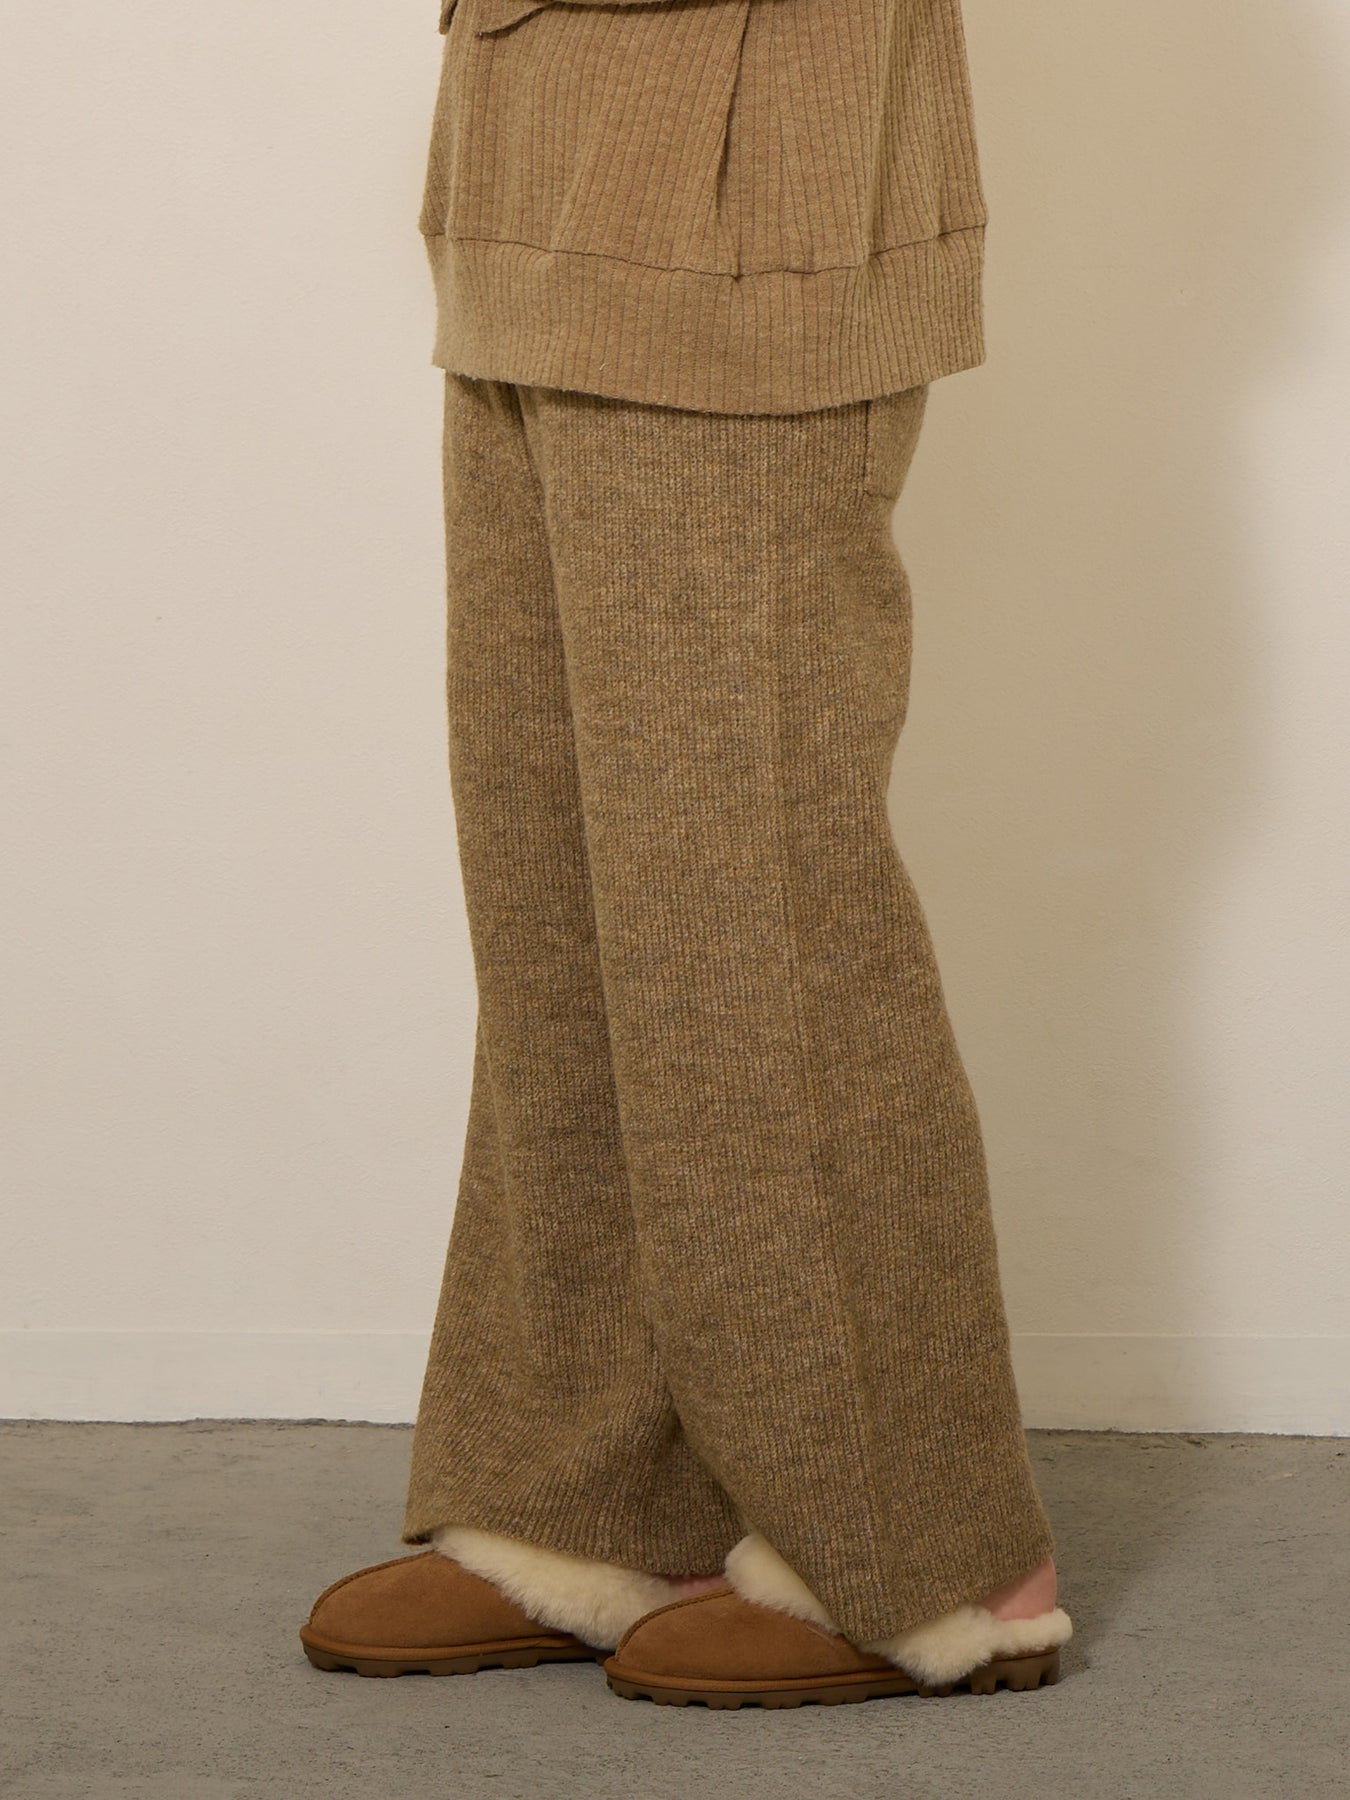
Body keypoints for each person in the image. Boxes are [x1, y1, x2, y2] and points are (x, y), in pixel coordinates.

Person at [299, 0, 1072, 1708]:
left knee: (752, 918)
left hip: (752, 232)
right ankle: (592, 1501)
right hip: (530, 192)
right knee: (562, 914)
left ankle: (923, 1543)